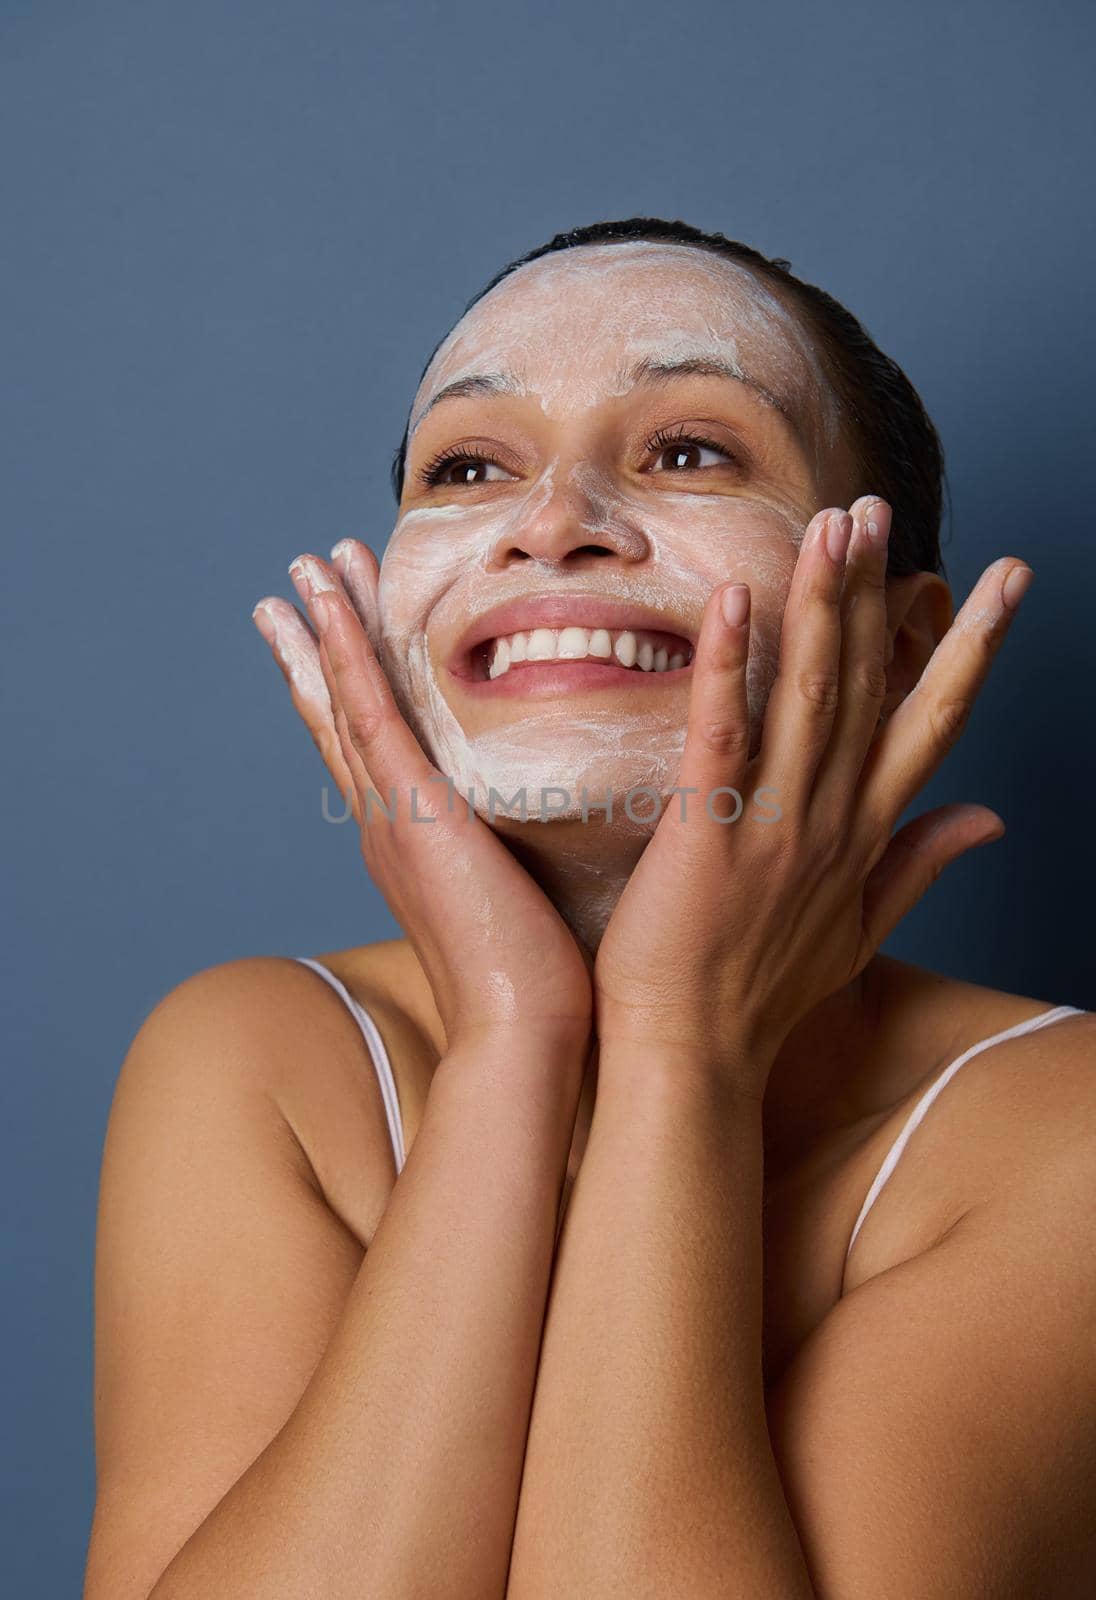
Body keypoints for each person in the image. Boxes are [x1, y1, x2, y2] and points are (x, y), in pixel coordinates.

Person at [84, 218, 1096, 1599]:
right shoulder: (263, 1057)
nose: (550, 522)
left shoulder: (1066, 1135)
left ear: (898, 648)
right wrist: (513, 1037)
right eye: (469, 466)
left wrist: (681, 1046)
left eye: (690, 449)